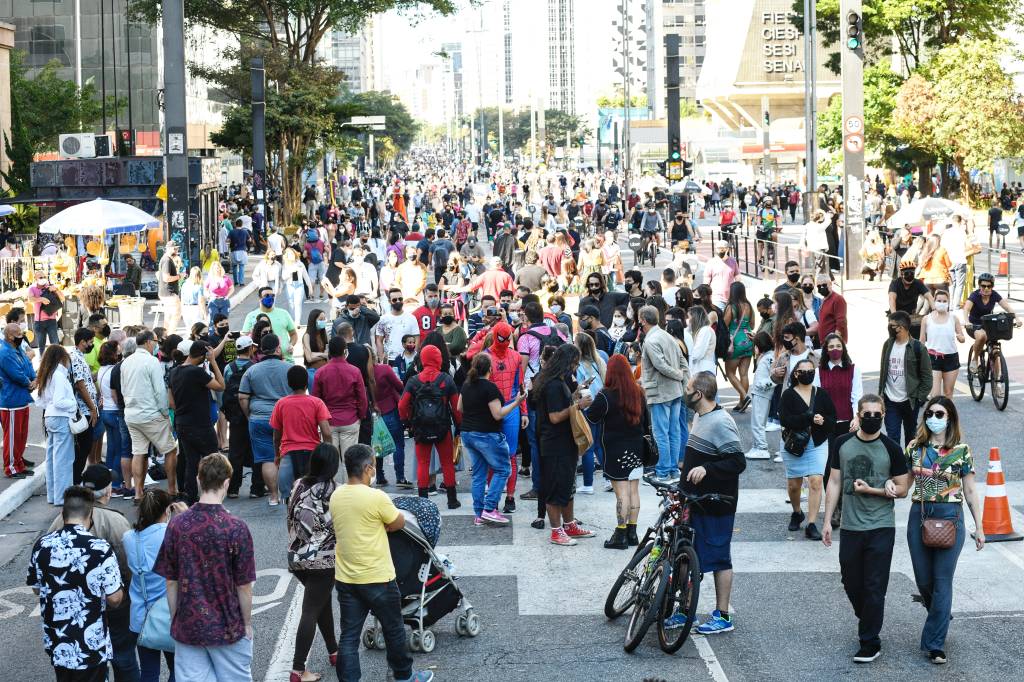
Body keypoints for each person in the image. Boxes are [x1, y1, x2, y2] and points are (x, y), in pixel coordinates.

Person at [329, 444, 434, 682]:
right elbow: (397, 522)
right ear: (367, 468)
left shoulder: (336, 496)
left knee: (348, 636)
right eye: (374, 466)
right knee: (393, 628)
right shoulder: (376, 497)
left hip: (346, 578)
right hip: (378, 577)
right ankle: (404, 676)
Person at [821, 394, 910, 664]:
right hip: (850, 526)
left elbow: (904, 488)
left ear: (883, 416)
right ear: (857, 416)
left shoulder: (892, 448)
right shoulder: (842, 443)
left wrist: (891, 489)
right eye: (867, 414)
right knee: (850, 582)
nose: (872, 419)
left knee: (874, 586)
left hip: (881, 526)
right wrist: (826, 520)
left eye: (877, 415)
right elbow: (834, 481)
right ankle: (869, 617)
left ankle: (869, 641)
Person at [154, 453, 256, 682]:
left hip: (189, 623)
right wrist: (247, 623)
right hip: (229, 624)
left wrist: (175, 618)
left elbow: (171, 580)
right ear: (227, 482)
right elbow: (244, 585)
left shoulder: (177, 525)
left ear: (199, 480)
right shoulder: (237, 528)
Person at [904, 397, 985, 665]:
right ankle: (941, 611)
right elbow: (904, 483)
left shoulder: (962, 450)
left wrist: (980, 527)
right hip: (920, 514)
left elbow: (971, 490)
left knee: (942, 581)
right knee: (924, 580)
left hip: (951, 517)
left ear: (950, 417)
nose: (934, 417)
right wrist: (888, 488)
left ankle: (935, 644)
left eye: (940, 413)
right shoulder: (915, 448)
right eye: (930, 413)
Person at [665, 371, 746, 634]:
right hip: (694, 501)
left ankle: (723, 617)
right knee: (687, 556)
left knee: (719, 559)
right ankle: (684, 610)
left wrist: (708, 470)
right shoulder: (700, 416)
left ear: (698, 394)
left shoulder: (721, 421)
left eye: (688, 388)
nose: (685, 391)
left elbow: (737, 462)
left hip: (716, 505)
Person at [27, 485, 125, 681]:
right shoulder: (100, 549)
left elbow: (37, 589)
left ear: (63, 514)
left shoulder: (42, 545)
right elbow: (114, 598)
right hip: (91, 644)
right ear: (90, 516)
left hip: (57, 642)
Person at [532, 344, 597, 544]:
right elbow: (554, 417)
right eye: (575, 362)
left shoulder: (558, 382)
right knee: (556, 487)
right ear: (566, 362)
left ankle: (569, 525)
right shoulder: (553, 385)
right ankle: (556, 530)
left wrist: (575, 394)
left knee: (568, 486)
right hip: (554, 443)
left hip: (563, 442)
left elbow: (562, 405)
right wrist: (578, 405)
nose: (576, 366)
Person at [287, 444, 341, 682]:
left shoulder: (298, 484)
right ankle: (298, 670)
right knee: (311, 609)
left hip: (296, 556)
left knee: (321, 603)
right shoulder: (333, 489)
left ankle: (334, 651)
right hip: (323, 559)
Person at [123, 489, 187, 682]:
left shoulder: (128, 538)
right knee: (180, 668)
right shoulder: (171, 533)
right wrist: (185, 516)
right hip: (168, 614)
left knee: (149, 672)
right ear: (167, 510)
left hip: (139, 615)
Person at [459, 353, 528, 525]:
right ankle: (489, 509)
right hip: (486, 434)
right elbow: (498, 414)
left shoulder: (467, 385)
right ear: (490, 368)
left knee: (479, 475)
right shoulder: (490, 388)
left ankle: (479, 514)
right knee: (503, 469)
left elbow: (460, 407)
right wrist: (517, 402)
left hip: (468, 433)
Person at [585, 354, 645, 549]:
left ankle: (620, 534)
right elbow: (646, 423)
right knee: (634, 491)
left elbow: (592, 417)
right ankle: (632, 532)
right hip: (636, 447)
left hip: (615, 450)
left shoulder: (605, 395)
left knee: (621, 494)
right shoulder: (639, 392)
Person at [779, 357, 836, 540]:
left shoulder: (822, 394)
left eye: (811, 371)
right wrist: (809, 418)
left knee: (816, 481)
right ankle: (797, 512)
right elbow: (785, 420)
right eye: (803, 371)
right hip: (794, 444)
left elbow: (832, 418)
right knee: (794, 485)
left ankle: (811, 524)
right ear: (796, 374)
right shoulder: (788, 395)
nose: (807, 374)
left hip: (817, 443)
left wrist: (823, 421)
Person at [398, 345, 461, 508]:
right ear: (438, 359)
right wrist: (459, 426)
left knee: (423, 463)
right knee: (447, 463)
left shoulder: (413, 381)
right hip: (443, 427)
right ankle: (452, 500)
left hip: (421, 427)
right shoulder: (446, 379)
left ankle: (423, 501)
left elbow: (402, 405)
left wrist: (407, 422)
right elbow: (456, 407)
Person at [121, 330, 180, 500]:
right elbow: (160, 391)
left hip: (132, 414)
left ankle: (138, 493)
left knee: (138, 452)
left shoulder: (126, 362)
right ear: (148, 342)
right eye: (155, 341)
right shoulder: (152, 361)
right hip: (151, 414)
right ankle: (172, 489)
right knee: (170, 450)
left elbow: (124, 389)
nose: (156, 345)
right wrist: (164, 413)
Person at [239, 334, 294, 506]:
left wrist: (249, 415)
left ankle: (273, 496)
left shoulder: (251, 370)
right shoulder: (289, 368)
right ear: (278, 348)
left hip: (260, 418)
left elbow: (242, 397)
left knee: (267, 458)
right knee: (287, 455)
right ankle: (289, 493)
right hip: (285, 416)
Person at [169, 340, 225, 504]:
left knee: (190, 462)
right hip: (200, 424)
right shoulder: (196, 373)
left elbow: (171, 402)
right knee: (213, 461)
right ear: (202, 356)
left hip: (182, 423)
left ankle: (190, 497)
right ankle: (213, 494)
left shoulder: (174, 372)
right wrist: (213, 361)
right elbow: (221, 386)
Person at [639, 304, 688, 484]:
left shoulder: (651, 340)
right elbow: (682, 361)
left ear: (643, 320)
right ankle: (672, 469)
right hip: (675, 391)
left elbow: (660, 365)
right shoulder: (667, 335)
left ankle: (663, 470)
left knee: (662, 433)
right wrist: (683, 379)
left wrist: (679, 375)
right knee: (673, 432)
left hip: (660, 393)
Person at [272, 365, 332, 501]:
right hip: (312, 454)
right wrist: (328, 452)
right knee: (315, 495)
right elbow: (327, 433)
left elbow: (276, 436)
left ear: (288, 383)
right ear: (306, 383)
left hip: (288, 454)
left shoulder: (280, 404)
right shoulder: (317, 402)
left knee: (288, 497)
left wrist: (277, 455)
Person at [879, 311, 932, 446]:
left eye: (892, 325)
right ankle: (897, 466)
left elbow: (927, 377)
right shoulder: (888, 344)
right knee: (892, 436)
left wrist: (919, 398)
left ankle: (909, 464)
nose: (889, 328)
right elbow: (883, 371)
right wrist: (881, 394)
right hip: (890, 401)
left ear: (901, 328)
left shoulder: (918, 348)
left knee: (910, 436)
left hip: (910, 401)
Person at [313, 335, 367, 460]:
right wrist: (360, 416)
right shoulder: (354, 371)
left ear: (329, 351)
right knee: (349, 461)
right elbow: (362, 398)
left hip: (328, 422)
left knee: (332, 461)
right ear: (345, 351)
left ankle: (333, 481)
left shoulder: (320, 372)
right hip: (350, 419)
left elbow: (316, 399)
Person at [36, 344, 77, 503]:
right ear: (61, 358)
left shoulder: (47, 374)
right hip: (60, 417)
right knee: (63, 459)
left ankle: (53, 495)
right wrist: (73, 405)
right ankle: (62, 497)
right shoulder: (59, 375)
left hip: (50, 417)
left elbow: (41, 401)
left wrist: (53, 405)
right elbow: (60, 401)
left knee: (52, 457)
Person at [963, 272, 1021, 371]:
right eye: (983, 286)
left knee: (995, 350)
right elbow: (966, 309)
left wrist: (1017, 318)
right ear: (979, 285)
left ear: (992, 286)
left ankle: (997, 380)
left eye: (989, 286)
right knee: (982, 336)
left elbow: (1007, 307)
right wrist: (967, 322)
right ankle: (975, 359)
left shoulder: (994, 295)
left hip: (988, 326)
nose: (986, 288)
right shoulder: (974, 295)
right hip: (974, 326)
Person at [0, 321, 36, 479]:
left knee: (21, 436)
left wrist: (34, 380)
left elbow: (28, 367)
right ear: (9, 336)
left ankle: (18, 464)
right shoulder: (5, 352)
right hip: (11, 401)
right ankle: (11, 467)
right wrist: (30, 383)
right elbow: (17, 374)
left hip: (20, 399)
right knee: (13, 437)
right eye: (19, 335)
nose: (21, 337)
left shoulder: (16, 349)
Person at [97, 341, 131, 493]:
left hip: (105, 412)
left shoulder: (101, 370)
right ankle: (116, 484)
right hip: (115, 412)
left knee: (111, 448)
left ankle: (108, 482)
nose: (120, 353)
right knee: (119, 449)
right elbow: (115, 394)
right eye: (118, 351)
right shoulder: (115, 370)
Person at [920, 289, 965, 399]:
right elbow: (922, 340)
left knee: (948, 393)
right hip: (932, 358)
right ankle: (935, 414)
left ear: (948, 302)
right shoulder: (926, 319)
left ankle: (949, 415)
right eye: (939, 300)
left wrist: (960, 337)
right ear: (934, 301)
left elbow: (962, 338)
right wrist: (919, 359)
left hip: (951, 357)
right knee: (935, 395)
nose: (942, 303)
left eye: (944, 301)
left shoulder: (953, 318)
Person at [241, 286, 299, 361]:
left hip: (286, 360)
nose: (270, 298)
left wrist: (291, 345)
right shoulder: (251, 316)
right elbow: (245, 338)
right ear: (260, 298)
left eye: (272, 296)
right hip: (260, 362)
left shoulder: (284, 313)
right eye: (266, 296)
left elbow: (293, 334)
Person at [745, 332, 776, 461]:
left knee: (758, 423)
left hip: (762, 394)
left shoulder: (769, 358)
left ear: (759, 346)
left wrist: (760, 385)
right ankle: (757, 445)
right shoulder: (767, 356)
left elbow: (775, 378)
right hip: (760, 393)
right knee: (757, 422)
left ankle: (762, 448)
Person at [376, 289, 420, 364]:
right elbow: (379, 340)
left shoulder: (411, 318)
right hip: (390, 359)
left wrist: (413, 356)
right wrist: (381, 358)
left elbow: (417, 338)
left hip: (407, 359)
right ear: (390, 301)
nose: (398, 301)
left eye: (400, 299)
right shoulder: (383, 319)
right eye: (394, 300)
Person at [158, 242, 182, 332]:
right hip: (169, 293)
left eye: (177, 248)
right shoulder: (167, 260)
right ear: (168, 249)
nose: (176, 250)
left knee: (168, 316)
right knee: (176, 313)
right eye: (174, 248)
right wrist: (179, 276)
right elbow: (166, 278)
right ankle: (170, 334)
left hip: (166, 292)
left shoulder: (166, 259)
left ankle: (166, 335)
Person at [815, 274, 847, 342]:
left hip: (832, 344)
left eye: (824, 285)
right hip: (825, 343)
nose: (821, 288)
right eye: (819, 286)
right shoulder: (824, 300)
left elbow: (841, 322)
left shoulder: (837, 299)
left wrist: (834, 342)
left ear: (830, 284)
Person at [204, 260, 234, 327]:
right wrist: (209, 296)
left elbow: (232, 288)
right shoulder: (209, 279)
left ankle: (224, 335)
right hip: (213, 301)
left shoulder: (226, 278)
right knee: (213, 320)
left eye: (218, 268)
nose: (217, 269)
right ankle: (212, 335)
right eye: (215, 268)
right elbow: (205, 289)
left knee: (224, 320)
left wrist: (227, 296)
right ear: (212, 269)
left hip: (224, 301)